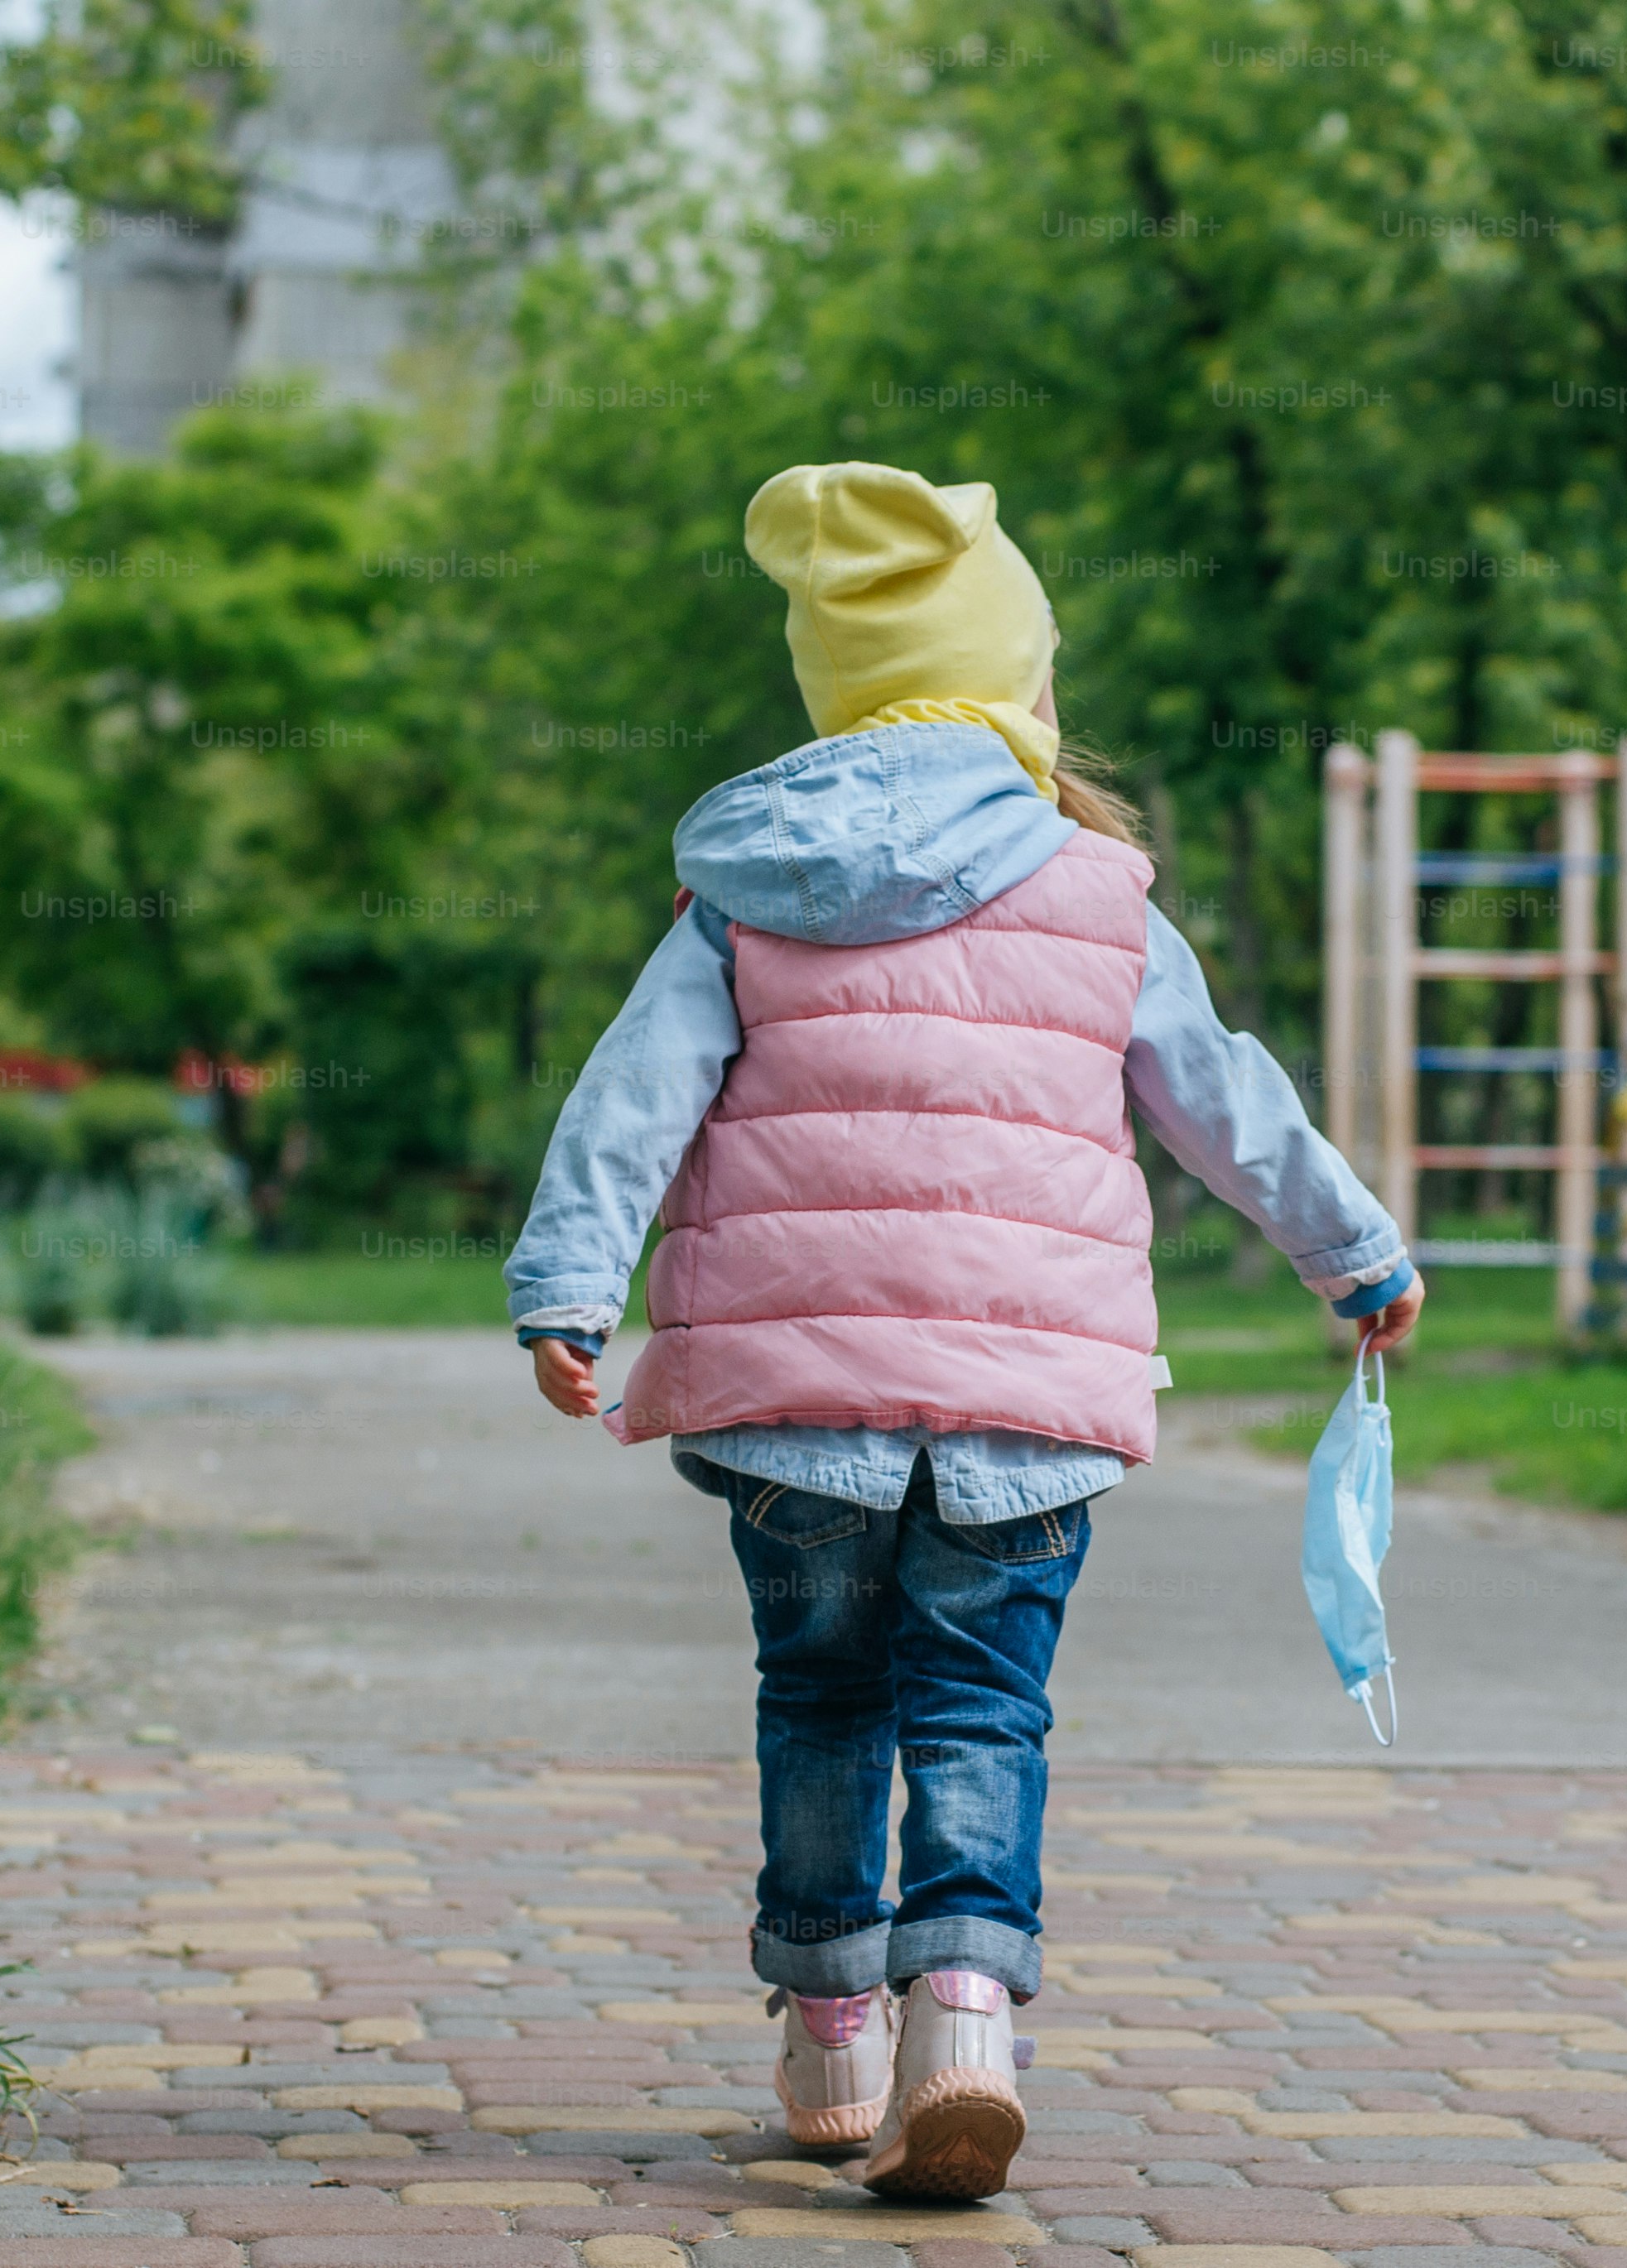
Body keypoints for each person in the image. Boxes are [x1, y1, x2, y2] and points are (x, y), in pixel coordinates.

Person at [506, 459, 1422, 2198]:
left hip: (793, 1407)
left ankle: (831, 2030)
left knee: (820, 1696)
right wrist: (1350, 1250)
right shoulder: (1098, 891)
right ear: (1023, 683)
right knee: (984, 1704)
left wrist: (567, 1283)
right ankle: (968, 2016)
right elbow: (1224, 1106)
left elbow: (626, 1100)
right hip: (1025, 1403)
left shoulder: (745, 881)